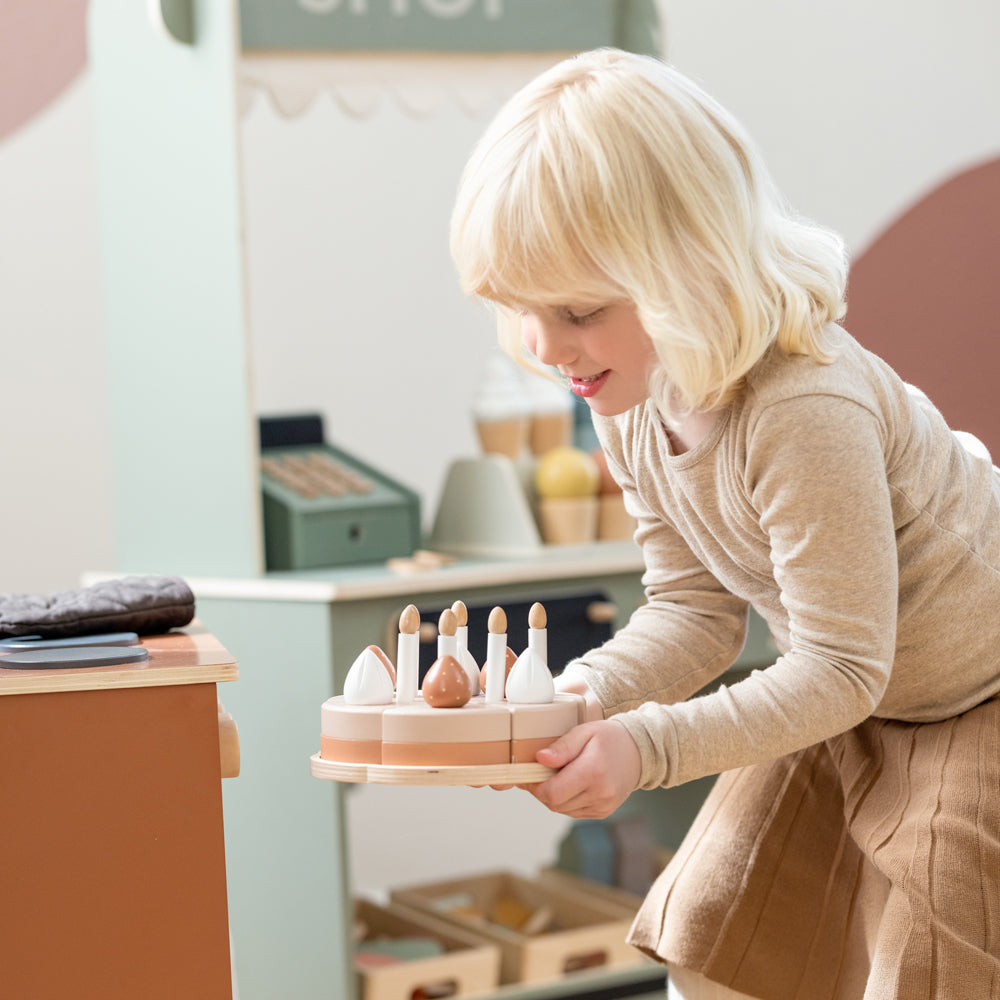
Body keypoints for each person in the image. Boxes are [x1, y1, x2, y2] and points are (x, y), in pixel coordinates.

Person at [449, 47, 1000, 1000]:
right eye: (521, 310)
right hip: (851, 691)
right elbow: (695, 610)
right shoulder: (629, 394)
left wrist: (646, 746)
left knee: (931, 964)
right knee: (715, 935)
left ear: (686, 269)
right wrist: (582, 697)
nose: (544, 347)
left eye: (576, 309)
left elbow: (841, 666)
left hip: (970, 698)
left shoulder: (803, 408)